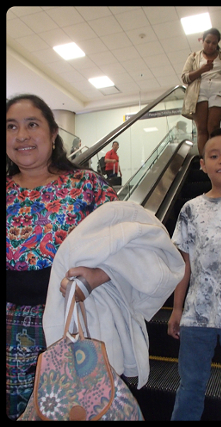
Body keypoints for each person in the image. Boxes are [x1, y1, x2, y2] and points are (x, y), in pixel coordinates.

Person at [6, 94, 118, 420]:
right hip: (11, 324)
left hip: (73, 318)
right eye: (11, 127)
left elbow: (133, 243)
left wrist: (98, 276)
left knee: (73, 406)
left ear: (54, 133)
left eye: (32, 125)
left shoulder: (86, 185)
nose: (22, 135)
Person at [167, 128, 221, 420]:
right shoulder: (190, 209)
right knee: (190, 388)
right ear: (203, 165)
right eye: (214, 155)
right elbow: (184, 264)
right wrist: (177, 308)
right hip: (197, 315)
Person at [181, 28, 221, 155]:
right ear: (202, 41)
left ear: (217, 43)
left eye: (214, 43)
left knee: (214, 127)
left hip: (218, 92)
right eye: (208, 42)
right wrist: (201, 70)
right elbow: (185, 78)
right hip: (199, 93)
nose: (210, 45)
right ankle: (204, 160)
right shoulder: (194, 57)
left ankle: (214, 156)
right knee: (202, 129)